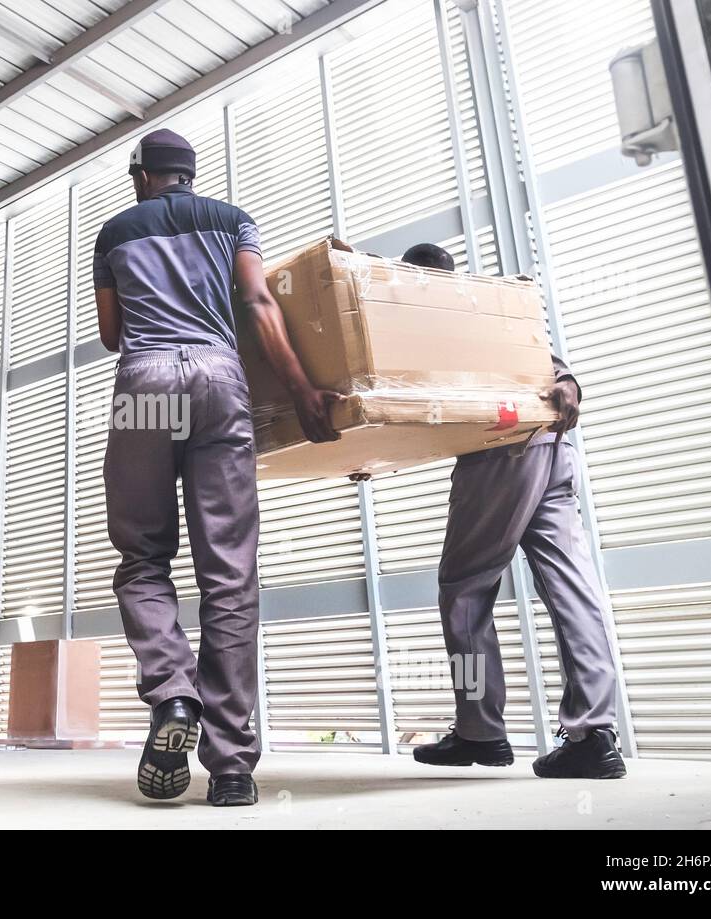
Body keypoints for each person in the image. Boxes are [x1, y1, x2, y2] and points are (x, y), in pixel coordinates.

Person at [94, 129, 340, 806]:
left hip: (144, 385)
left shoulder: (114, 231)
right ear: (191, 176)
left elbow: (113, 332)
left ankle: (174, 695)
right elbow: (260, 304)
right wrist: (300, 390)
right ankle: (232, 766)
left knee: (143, 555)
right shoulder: (234, 220)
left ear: (143, 176)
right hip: (217, 379)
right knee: (229, 571)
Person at [365, 243, 627, 779]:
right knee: (572, 586)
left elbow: (395, 395)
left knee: (464, 588)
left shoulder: (419, 319)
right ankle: (594, 734)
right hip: (554, 448)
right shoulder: (487, 307)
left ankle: (480, 732)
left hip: (499, 452)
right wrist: (568, 380)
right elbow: (553, 371)